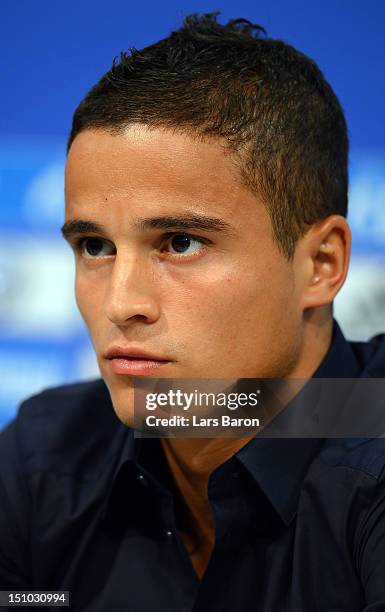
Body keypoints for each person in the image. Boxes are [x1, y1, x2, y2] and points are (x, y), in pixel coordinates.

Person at [1, 12, 385, 611]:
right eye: (95, 246)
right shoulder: (45, 456)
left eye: (180, 242)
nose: (122, 303)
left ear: (321, 264)